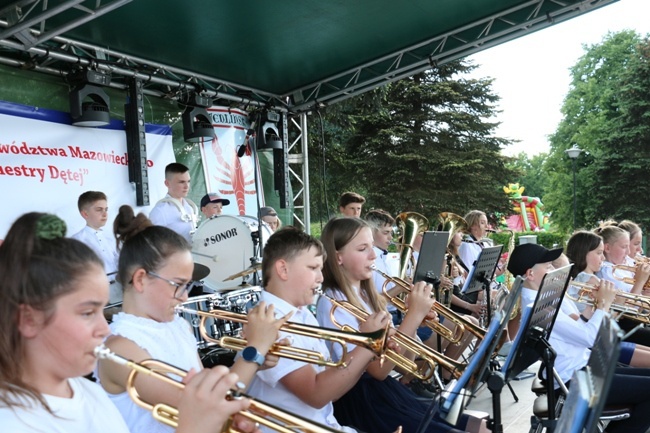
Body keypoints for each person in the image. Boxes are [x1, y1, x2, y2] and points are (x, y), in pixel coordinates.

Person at [0, 213, 255, 433]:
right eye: (88, 312)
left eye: (102, 311)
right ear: (29, 320)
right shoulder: (13, 422)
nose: (103, 329)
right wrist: (255, 352)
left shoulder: (88, 394)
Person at [97, 207, 289, 433]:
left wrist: (255, 356)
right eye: (178, 284)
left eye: (187, 285)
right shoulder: (120, 349)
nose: (186, 296)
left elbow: (209, 397)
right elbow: (199, 407)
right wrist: (254, 351)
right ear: (141, 279)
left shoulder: (180, 326)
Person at [316, 217, 466, 433]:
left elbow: (404, 365)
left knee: (475, 424)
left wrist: (413, 322)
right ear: (338, 257)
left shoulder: (368, 297)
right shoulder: (334, 303)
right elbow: (379, 371)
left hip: (384, 393)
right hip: (363, 402)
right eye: (362, 249)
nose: (373, 255)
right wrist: (412, 317)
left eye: (371, 247)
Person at [247, 226, 385, 433]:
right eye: (313, 268)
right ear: (283, 270)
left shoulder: (302, 313)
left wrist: (370, 349)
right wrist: (367, 343)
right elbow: (316, 394)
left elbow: (333, 390)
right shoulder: (269, 322)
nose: (320, 277)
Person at [508, 242, 650, 433]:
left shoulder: (547, 297)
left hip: (586, 370)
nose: (554, 270)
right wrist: (604, 306)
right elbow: (591, 339)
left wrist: (595, 304)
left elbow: (581, 328)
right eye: (548, 266)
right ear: (531, 274)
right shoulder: (540, 306)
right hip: (576, 380)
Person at [567, 230, 650, 347]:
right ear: (584, 253)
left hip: (607, 336)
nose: (603, 257)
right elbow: (609, 318)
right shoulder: (590, 280)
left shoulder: (587, 278)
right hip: (605, 339)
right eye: (599, 253)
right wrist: (639, 283)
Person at [70, 191, 121, 303]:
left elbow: (119, 262)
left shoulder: (111, 238)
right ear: (85, 214)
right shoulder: (77, 241)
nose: (105, 214)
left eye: (106, 209)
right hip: (95, 294)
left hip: (118, 289)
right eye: (99, 210)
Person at [595, 222, 650, 294]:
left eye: (628, 246)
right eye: (624, 247)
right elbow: (627, 303)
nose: (628, 252)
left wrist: (643, 293)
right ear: (607, 248)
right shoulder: (606, 271)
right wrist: (640, 281)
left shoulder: (622, 265)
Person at [149, 162, 199, 242]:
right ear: (167, 183)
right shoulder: (160, 211)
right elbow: (151, 243)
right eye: (181, 182)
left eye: (188, 181)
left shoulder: (189, 207)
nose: (187, 186)